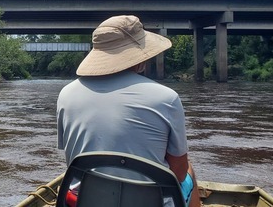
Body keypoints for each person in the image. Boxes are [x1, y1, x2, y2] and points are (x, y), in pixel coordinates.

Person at [57, 15, 200, 207]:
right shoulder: (166, 98)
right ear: (138, 57)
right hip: (148, 203)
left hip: (87, 201)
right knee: (189, 170)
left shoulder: (66, 94)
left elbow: (72, 161)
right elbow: (179, 172)